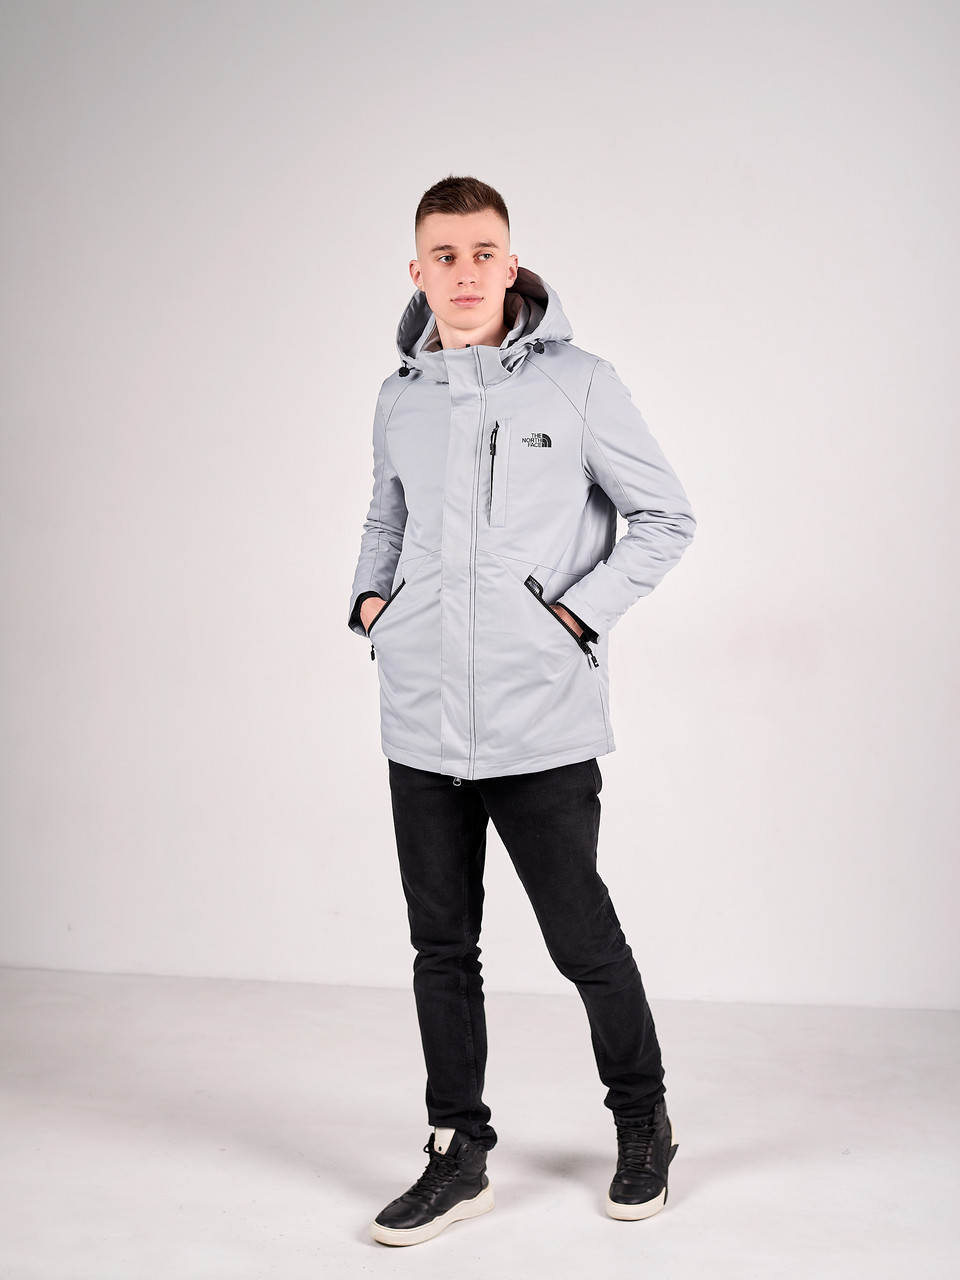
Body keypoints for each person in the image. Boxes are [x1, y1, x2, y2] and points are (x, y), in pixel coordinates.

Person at [347, 175, 696, 1247]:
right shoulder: (400, 396)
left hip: (538, 713)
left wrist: (575, 618)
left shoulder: (580, 383)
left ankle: (641, 1118)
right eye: (444, 255)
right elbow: (385, 517)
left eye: (482, 252)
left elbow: (664, 516)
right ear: (418, 270)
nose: (465, 272)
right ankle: (459, 1152)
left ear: (512, 261)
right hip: (421, 715)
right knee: (440, 946)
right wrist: (372, 604)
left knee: (580, 935)